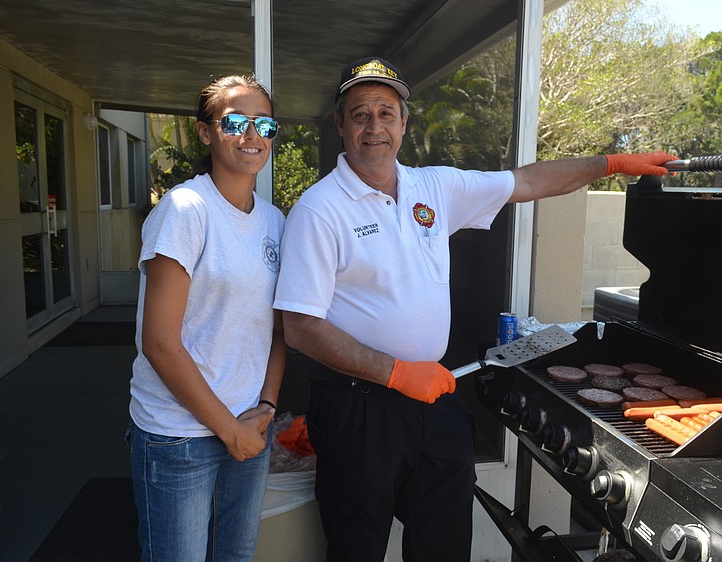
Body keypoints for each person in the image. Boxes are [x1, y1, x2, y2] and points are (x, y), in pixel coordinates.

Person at [273, 56, 675, 562]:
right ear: (340, 125)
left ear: (403, 123)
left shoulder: (432, 188)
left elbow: (526, 183)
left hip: (432, 396)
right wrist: (395, 373)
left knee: (443, 540)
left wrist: (609, 165)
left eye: (385, 112)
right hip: (358, 408)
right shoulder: (318, 209)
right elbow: (301, 328)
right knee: (358, 544)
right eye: (359, 114)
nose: (374, 127)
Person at [126, 74, 286, 562]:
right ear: (205, 132)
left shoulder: (275, 221)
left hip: (249, 425)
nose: (251, 134)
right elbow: (159, 342)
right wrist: (227, 428)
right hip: (179, 435)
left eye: (264, 124)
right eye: (235, 121)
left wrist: (266, 405)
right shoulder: (185, 210)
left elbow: (278, 329)